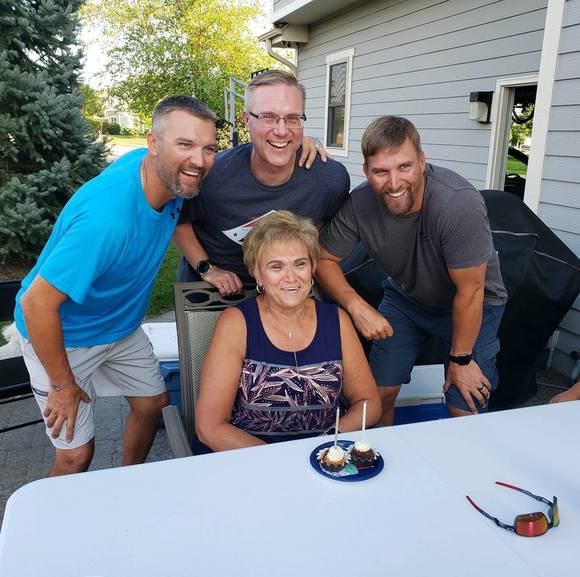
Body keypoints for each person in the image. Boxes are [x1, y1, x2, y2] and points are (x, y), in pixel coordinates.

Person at [14, 96, 218, 476]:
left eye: (209, 148)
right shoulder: (107, 221)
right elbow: (36, 304)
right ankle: (48, 514)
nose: (199, 160)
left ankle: (126, 482)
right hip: (64, 336)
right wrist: (62, 386)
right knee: (76, 455)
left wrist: (295, 144)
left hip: (120, 329)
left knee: (153, 405)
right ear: (153, 143)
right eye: (185, 145)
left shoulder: (169, 178)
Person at [316, 116, 508, 425]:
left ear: (421, 161)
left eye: (404, 167)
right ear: (366, 171)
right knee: (377, 397)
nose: (394, 183)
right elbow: (323, 259)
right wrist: (357, 307)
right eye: (381, 171)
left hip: (474, 304)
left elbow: (471, 290)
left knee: (465, 407)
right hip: (406, 299)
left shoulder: (457, 203)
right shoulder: (360, 204)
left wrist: (461, 360)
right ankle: (378, 454)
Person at [195, 211, 381, 451]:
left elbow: (368, 402)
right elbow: (209, 426)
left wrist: (327, 442)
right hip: (252, 458)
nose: (291, 277)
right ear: (257, 273)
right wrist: (281, 461)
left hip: (325, 457)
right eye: (276, 267)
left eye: (300, 264)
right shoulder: (237, 323)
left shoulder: (337, 320)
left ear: (312, 267)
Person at [174, 70, 350, 295]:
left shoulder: (329, 179)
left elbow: (327, 219)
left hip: (284, 293)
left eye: (292, 118)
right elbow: (178, 219)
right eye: (268, 117)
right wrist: (206, 268)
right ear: (247, 119)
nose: (281, 131)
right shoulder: (210, 175)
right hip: (211, 294)